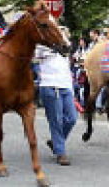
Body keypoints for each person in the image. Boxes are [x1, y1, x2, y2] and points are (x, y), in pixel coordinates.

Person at [35, 37, 77, 166]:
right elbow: (35, 56)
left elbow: (66, 70)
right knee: (56, 120)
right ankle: (60, 153)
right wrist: (52, 49)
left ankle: (56, 142)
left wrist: (72, 90)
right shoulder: (41, 46)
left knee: (72, 118)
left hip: (65, 86)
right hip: (50, 85)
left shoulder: (64, 50)